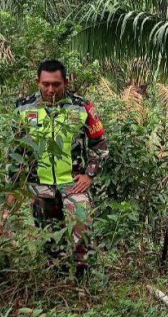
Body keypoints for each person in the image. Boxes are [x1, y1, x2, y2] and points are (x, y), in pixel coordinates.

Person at [14, 59, 108, 278]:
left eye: (56, 84)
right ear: (37, 82)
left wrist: (90, 174)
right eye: (45, 84)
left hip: (73, 185)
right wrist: (16, 185)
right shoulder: (23, 108)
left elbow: (100, 142)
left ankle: (83, 281)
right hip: (40, 186)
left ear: (65, 82)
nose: (50, 89)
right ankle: (57, 281)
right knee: (49, 237)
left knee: (82, 231)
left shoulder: (82, 106)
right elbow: (16, 148)